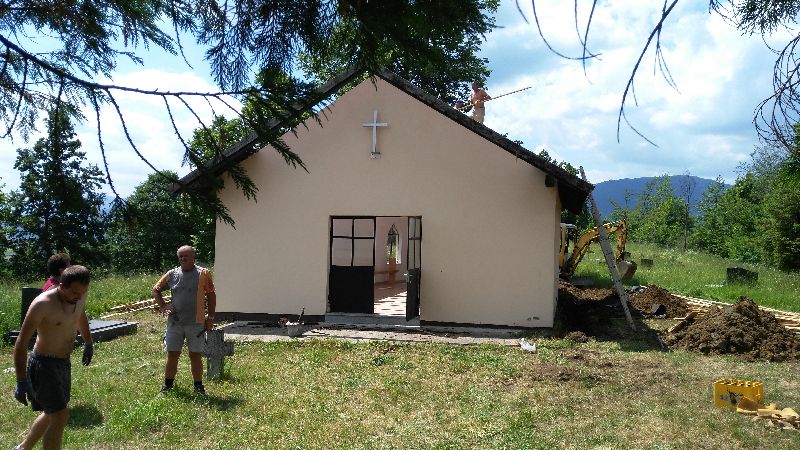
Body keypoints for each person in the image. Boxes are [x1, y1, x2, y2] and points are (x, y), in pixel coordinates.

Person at [14, 265, 94, 450]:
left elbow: (80, 315)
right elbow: (21, 342)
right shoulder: (43, 304)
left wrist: (88, 342)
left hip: (63, 363)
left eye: (83, 292)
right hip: (43, 364)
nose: (79, 296)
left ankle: (23, 448)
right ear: (62, 286)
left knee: (52, 413)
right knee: (60, 415)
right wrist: (20, 380)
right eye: (75, 292)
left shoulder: (79, 296)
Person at [153, 245, 216, 395]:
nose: (183, 258)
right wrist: (164, 306)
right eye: (180, 256)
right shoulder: (172, 274)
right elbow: (156, 290)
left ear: (194, 257)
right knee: (173, 354)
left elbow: (211, 295)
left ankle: (198, 387)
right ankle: (167, 386)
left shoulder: (203, 273)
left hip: (196, 323)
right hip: (175, 323)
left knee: (195, 355)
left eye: (186, 256)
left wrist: (210, 317)